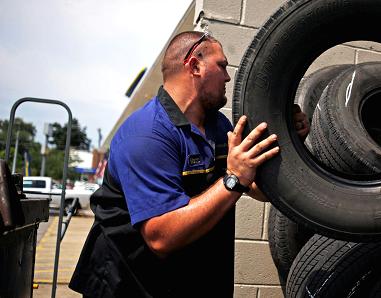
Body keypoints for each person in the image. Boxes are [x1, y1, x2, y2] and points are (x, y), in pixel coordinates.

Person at [69, 31, 309, 297]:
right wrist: (233, 179)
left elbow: (260, 189)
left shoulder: (219, 127)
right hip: (129, 284)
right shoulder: (147, 134)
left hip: (188, 280)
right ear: (194, 66)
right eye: (222, 66)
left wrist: (289, 142)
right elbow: (161, 237)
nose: (228, 77)